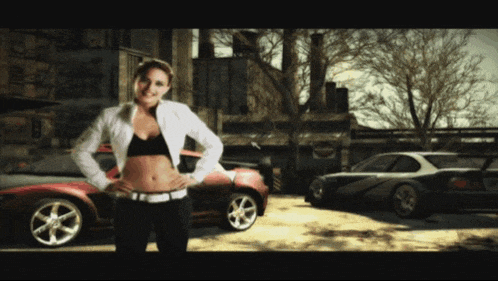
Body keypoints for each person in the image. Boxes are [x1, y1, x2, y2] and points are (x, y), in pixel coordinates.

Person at [71, 59, 223, 254]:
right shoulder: (111, 115)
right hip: (130, 205)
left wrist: (196, 176)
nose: (150, 88)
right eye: (145, 80)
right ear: (135, 80)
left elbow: (214, 144)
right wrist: (104, 182)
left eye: (159, 83)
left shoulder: (179, 112)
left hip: (174, 204)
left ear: (167, 88)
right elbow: (80, 151)